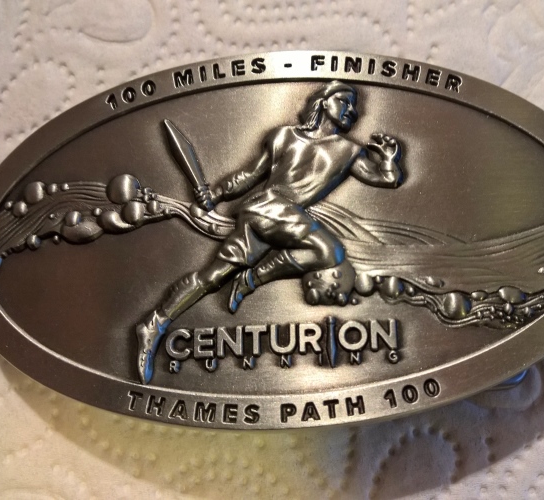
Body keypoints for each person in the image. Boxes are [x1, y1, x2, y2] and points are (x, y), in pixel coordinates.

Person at [136, 80, 404, 384]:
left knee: (212, 277)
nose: (351, 110)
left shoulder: (349, 151)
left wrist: (389, 160)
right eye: (344, 101)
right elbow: (250, 174)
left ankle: (154, 322)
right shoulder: (283, 136)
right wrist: (217, 193)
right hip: (268, 209)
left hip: (275, 218)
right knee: (329, 251)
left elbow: (386, 180)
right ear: (323, 101)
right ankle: (250, 280)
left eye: (353, 105)